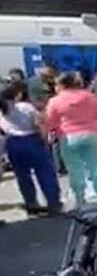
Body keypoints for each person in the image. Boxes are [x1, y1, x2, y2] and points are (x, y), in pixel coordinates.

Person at [45, 72, 97, 207]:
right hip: (92, 133)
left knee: (74, 168)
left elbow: (50, 121)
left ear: (62, 85)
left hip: (69, 136)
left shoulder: (55, 101)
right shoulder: (90, 96)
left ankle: (80, 199)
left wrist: (52, 131)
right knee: (96, 166)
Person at [1, 81, 62, 215]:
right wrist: (44, 138)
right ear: (17, 95)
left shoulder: (3, 110)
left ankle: (31, 203)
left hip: (12, 142)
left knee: (23, 176)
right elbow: (38, 123)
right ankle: (53, 203)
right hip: (31, 139)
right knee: (45, 173)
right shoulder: (25, 107)